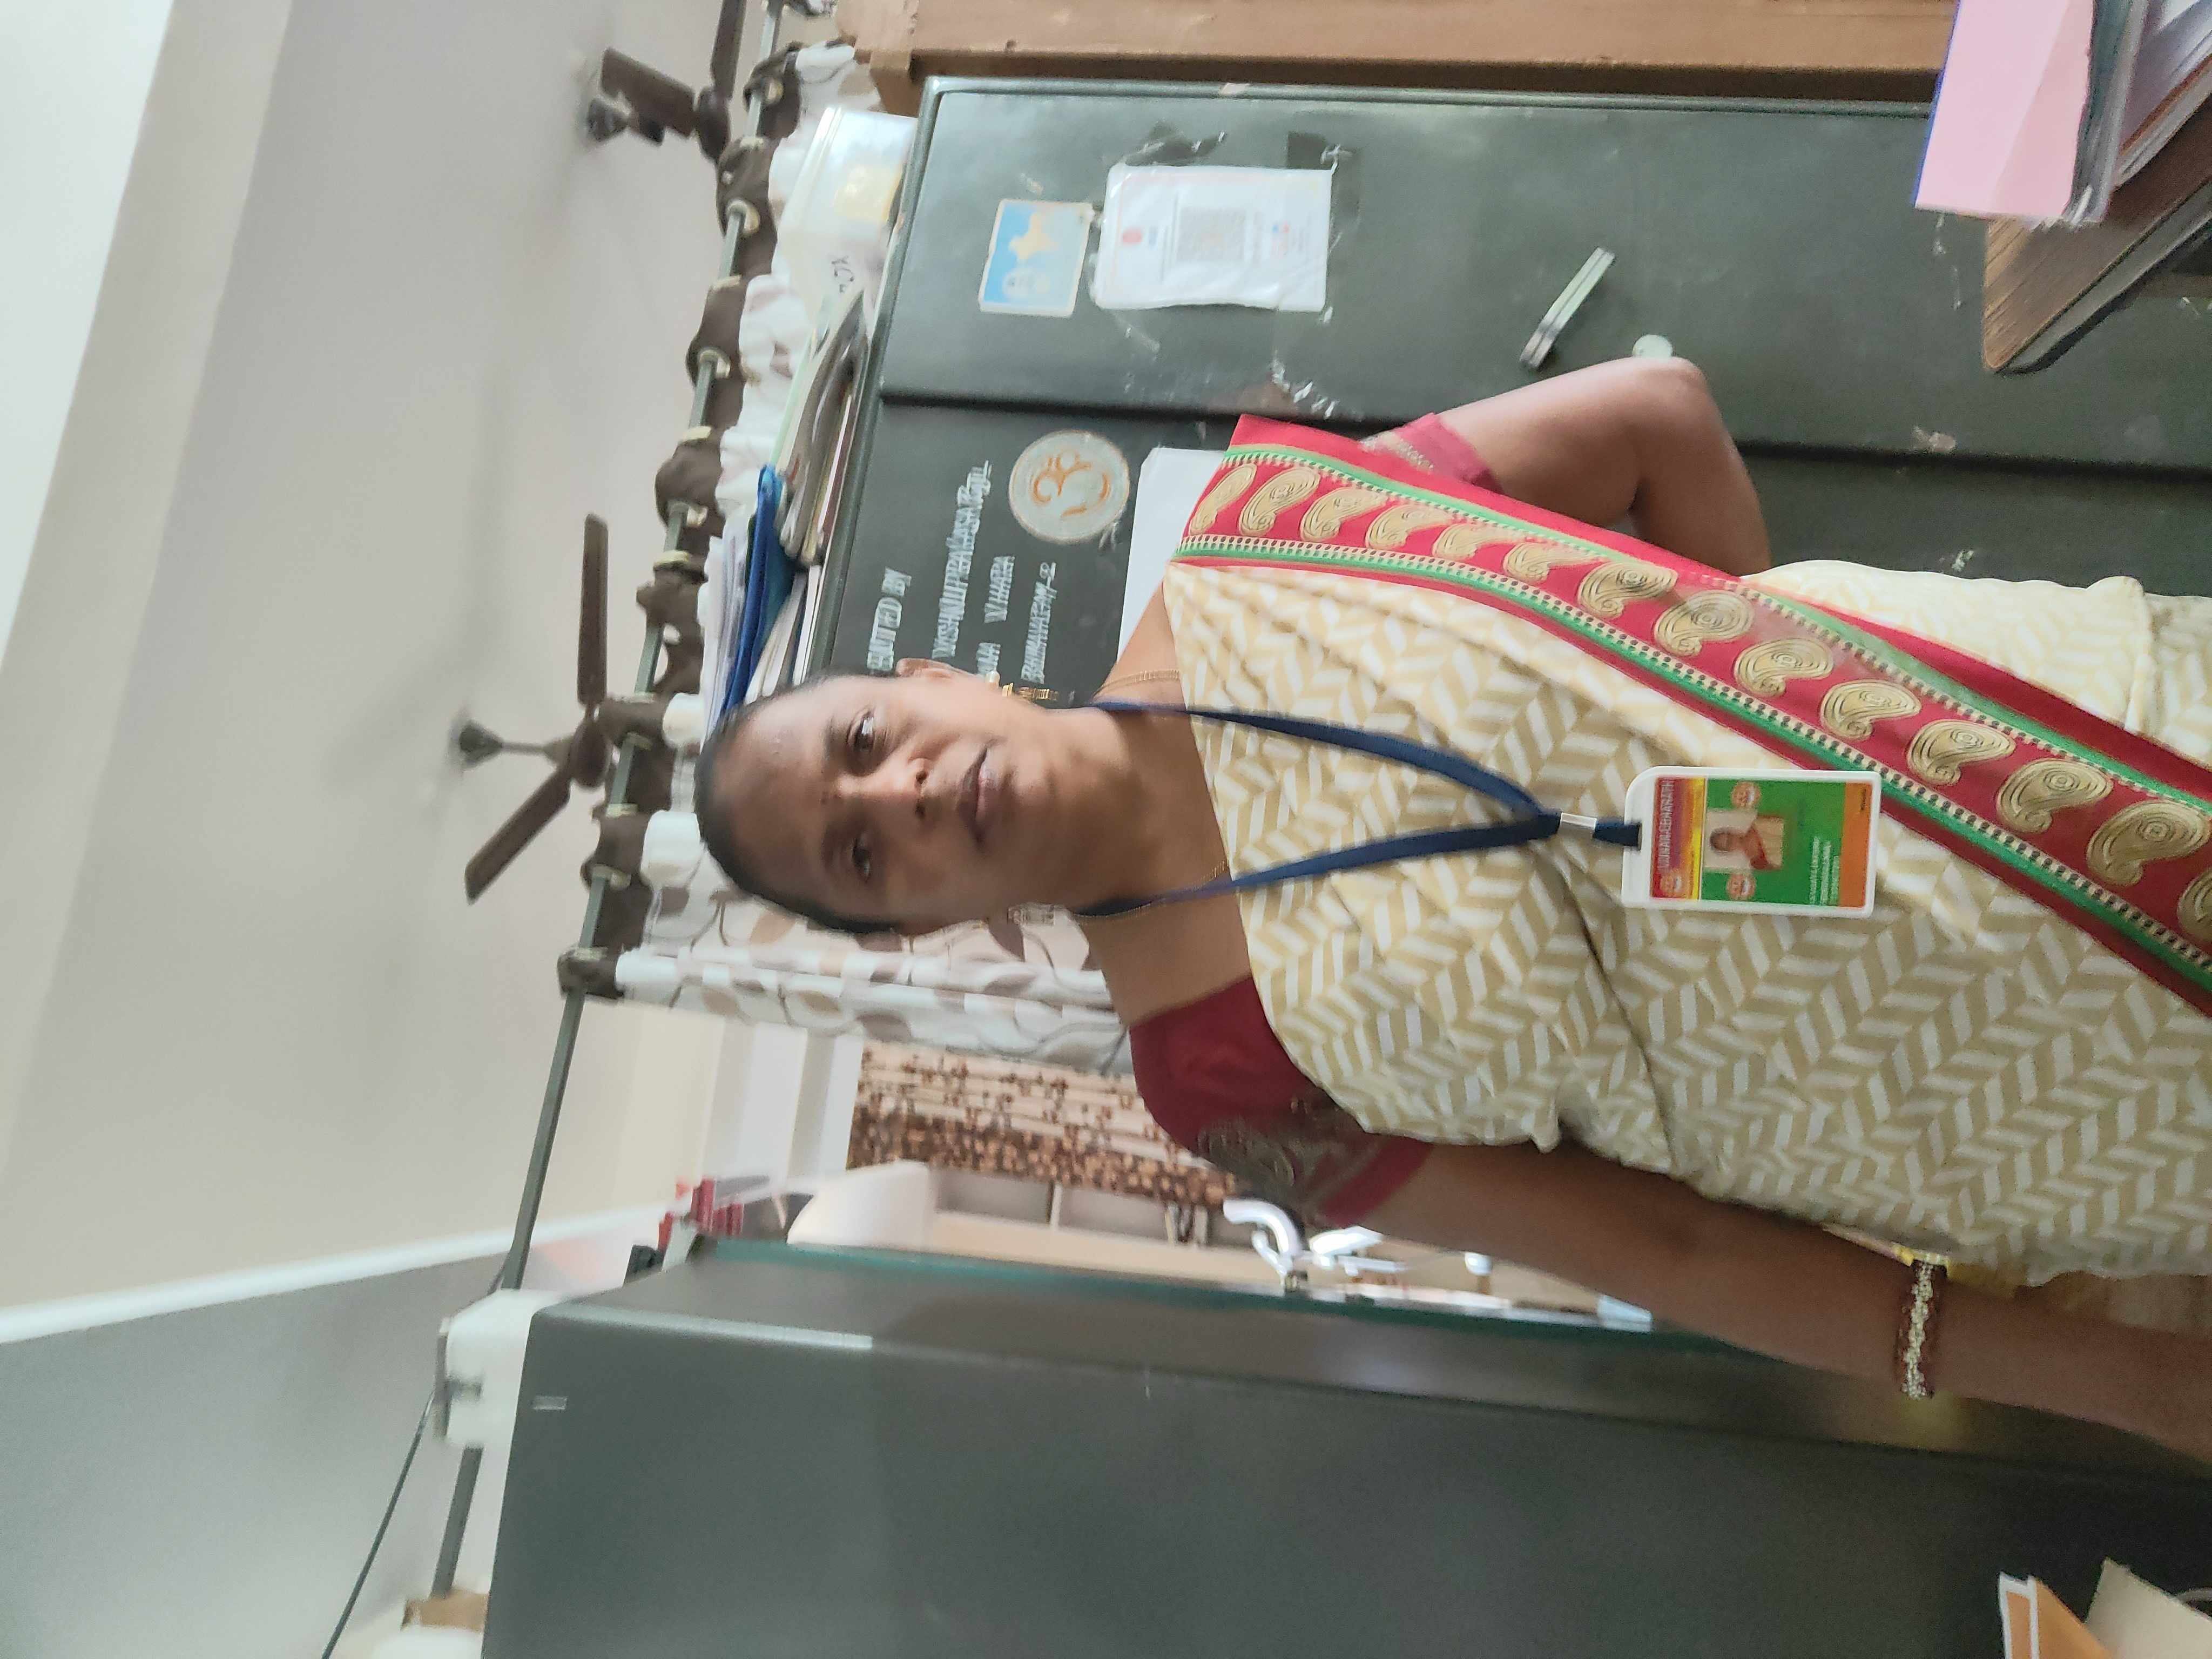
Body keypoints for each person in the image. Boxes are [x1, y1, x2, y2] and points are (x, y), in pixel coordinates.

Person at [694, 359, 2212, 1462]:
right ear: (911, 935)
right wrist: (2126, 1380)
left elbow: (1655, 417)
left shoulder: (1275, 530)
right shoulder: (1215, 1078)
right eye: (859, 857)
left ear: (931, 678)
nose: (898, 795)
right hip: (2018, 1112)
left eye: (864, 741)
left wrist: (1730, 710)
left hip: (2039, 736)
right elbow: (1668, 1252)